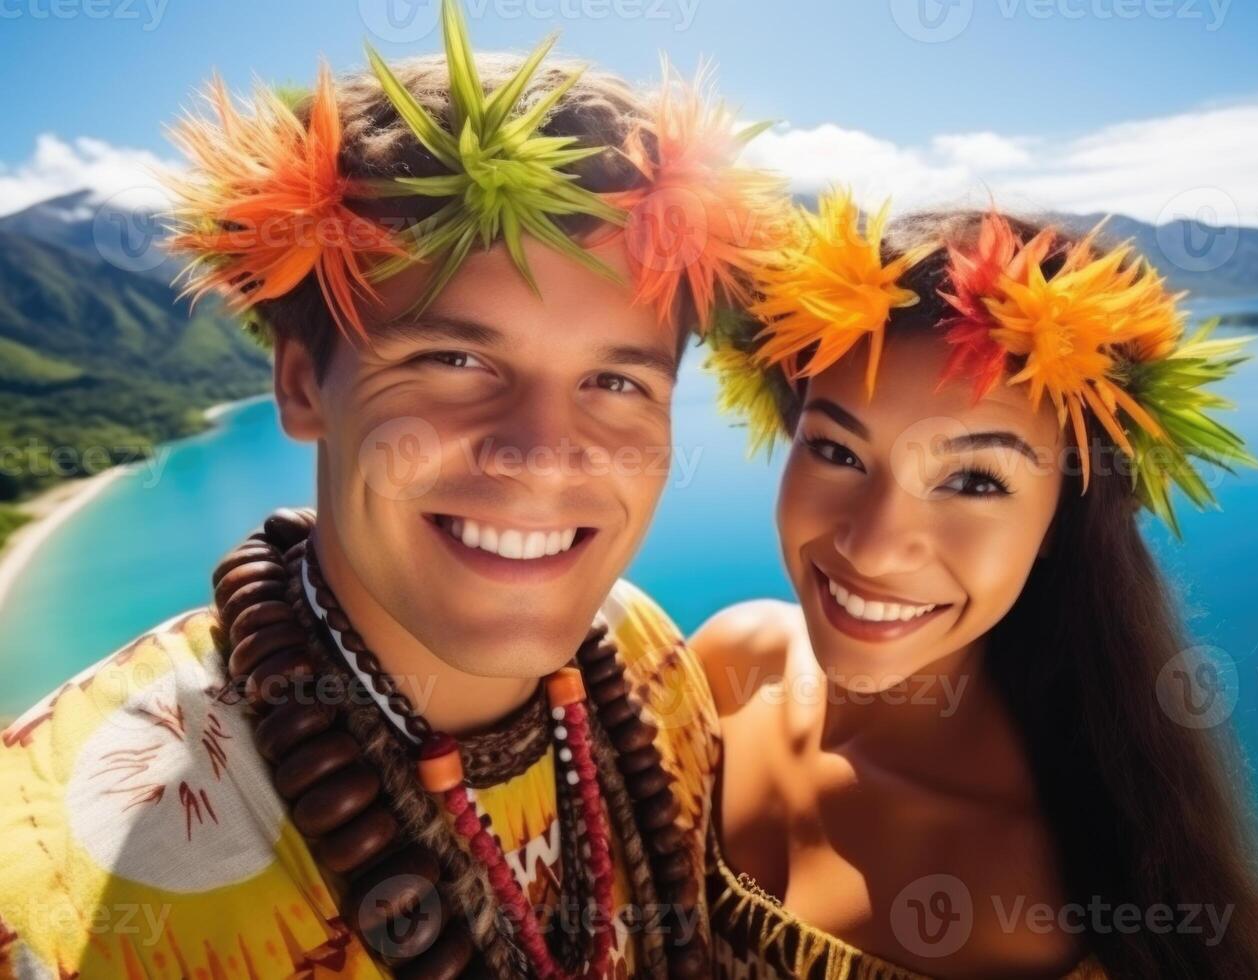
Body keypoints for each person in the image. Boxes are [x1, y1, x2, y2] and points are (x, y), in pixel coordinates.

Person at [0, 2, 787, 976]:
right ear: (299, 385)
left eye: (616, 381)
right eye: (455, 358)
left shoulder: (652, 661)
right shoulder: (38, 875)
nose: (542, 454)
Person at [693, 193, 1258, 978]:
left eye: (976, 483)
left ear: (1062, 518)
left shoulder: (1040, 903)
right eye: (837, 451)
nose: (876, 547)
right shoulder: (725, 667)